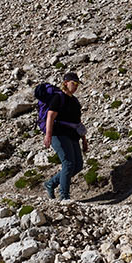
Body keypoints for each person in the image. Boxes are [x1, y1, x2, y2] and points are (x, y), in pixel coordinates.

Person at [41, 72, 88, 201]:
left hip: (73, 135)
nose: (76, 86)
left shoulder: (75, 101)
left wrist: (84, 139)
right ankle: (64, 196)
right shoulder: (58, 97)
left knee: (78, 165)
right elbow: (50, 116)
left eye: (77, 84)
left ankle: (50, 183)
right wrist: (48, 135)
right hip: (59, 134)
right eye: (74, 83)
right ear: (65, 83)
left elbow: (78, 122)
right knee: (68, 163)